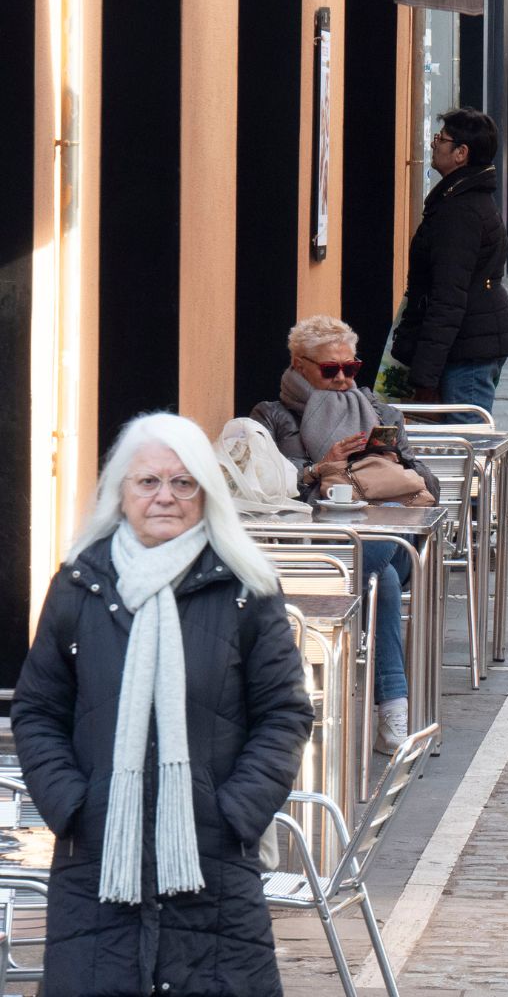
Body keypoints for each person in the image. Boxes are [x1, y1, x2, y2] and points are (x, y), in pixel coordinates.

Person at [14, 413, 312, 997]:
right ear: (120, 493)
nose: (165, 497)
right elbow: (37, 712)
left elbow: (284, 713)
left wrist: (231, 812)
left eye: (183, 483)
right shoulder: (79, 586)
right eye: (148, 482)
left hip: (212, 861)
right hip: (97, 857)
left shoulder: (246, 587)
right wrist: (74, 805)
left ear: (205, 492)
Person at [253, 314, 440, 752]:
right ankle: (393, 711)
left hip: (384, 539)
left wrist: (394, 462)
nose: (342, 379)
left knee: (376, 560)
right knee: (382, 578)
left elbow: (429, 485)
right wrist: (321, 467)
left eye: (350, 368)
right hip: (320, 545)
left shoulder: (376, 409)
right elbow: (272, 487)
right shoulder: (275, 416)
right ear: (300, 365)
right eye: (330, 369)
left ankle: (354, 697)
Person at [390, 107, 508, 414]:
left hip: (468, 350)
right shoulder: (460, 199)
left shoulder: (460, 212)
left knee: (465, 444)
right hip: (471, 341)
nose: (434, 144)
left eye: (441, 138)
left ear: (461, 153)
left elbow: (448, 297)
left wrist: (424, 377)